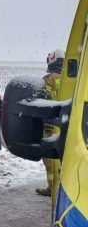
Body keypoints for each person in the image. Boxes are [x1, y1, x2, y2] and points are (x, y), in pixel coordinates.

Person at [36, 49, 64, 197]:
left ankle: (52, 189)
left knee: (50, 159)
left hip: (50, 125)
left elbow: (41, 102)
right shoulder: (73, 78)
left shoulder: (46, 80)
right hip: (69, 122)